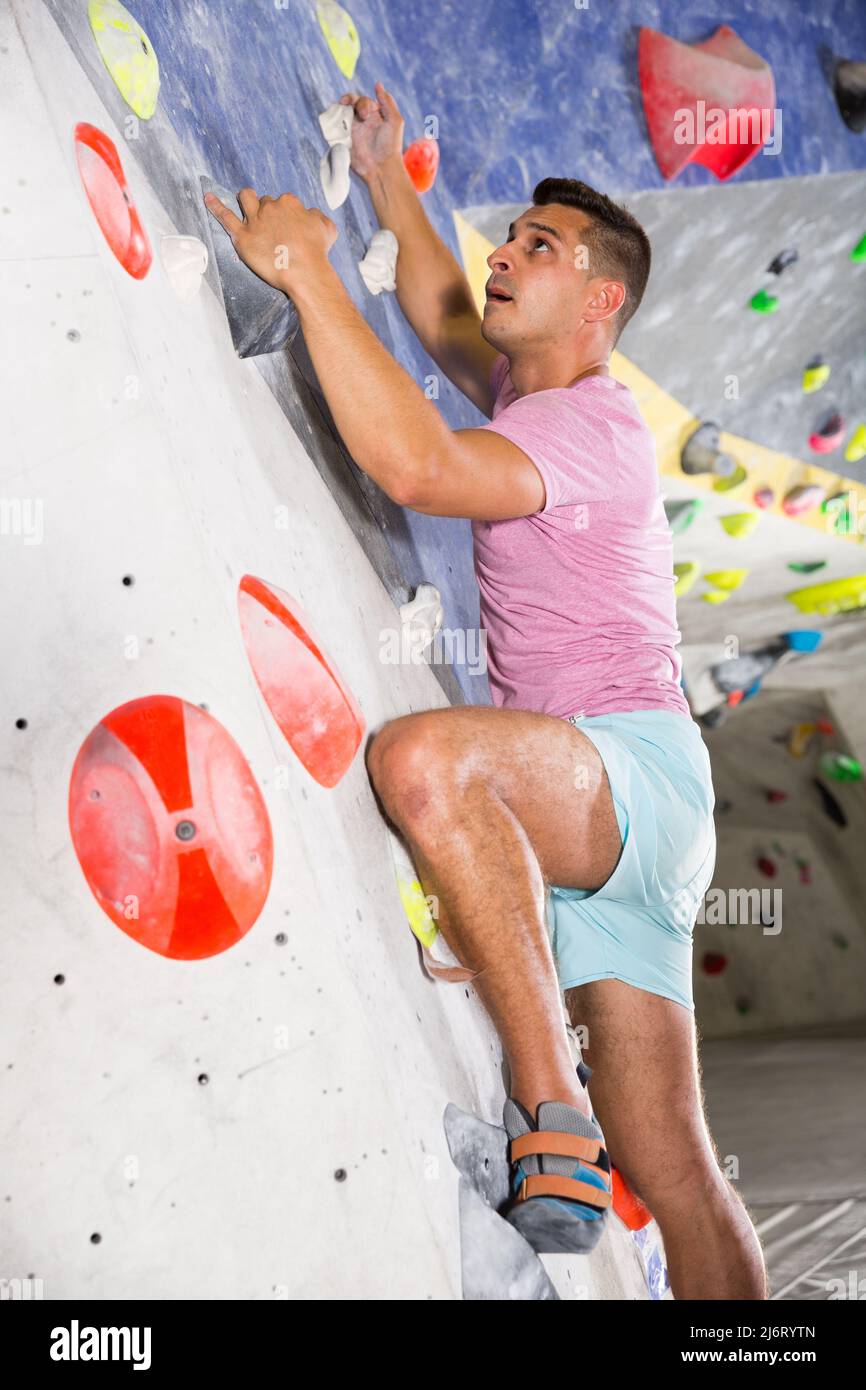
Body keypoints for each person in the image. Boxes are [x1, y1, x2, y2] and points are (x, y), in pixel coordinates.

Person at [204, 81, 767, 1298]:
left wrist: (306, 268)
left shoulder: (584, 431)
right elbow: (446, 313)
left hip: (618, 774)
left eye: (539, 248)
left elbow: (412, 464)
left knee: (425, 762)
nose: (505, 255)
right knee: (674, 1171)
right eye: (511, 234)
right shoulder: (540, 392)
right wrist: (392, 183)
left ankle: (546, 1104)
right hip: (628, 801)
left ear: (600, 299)